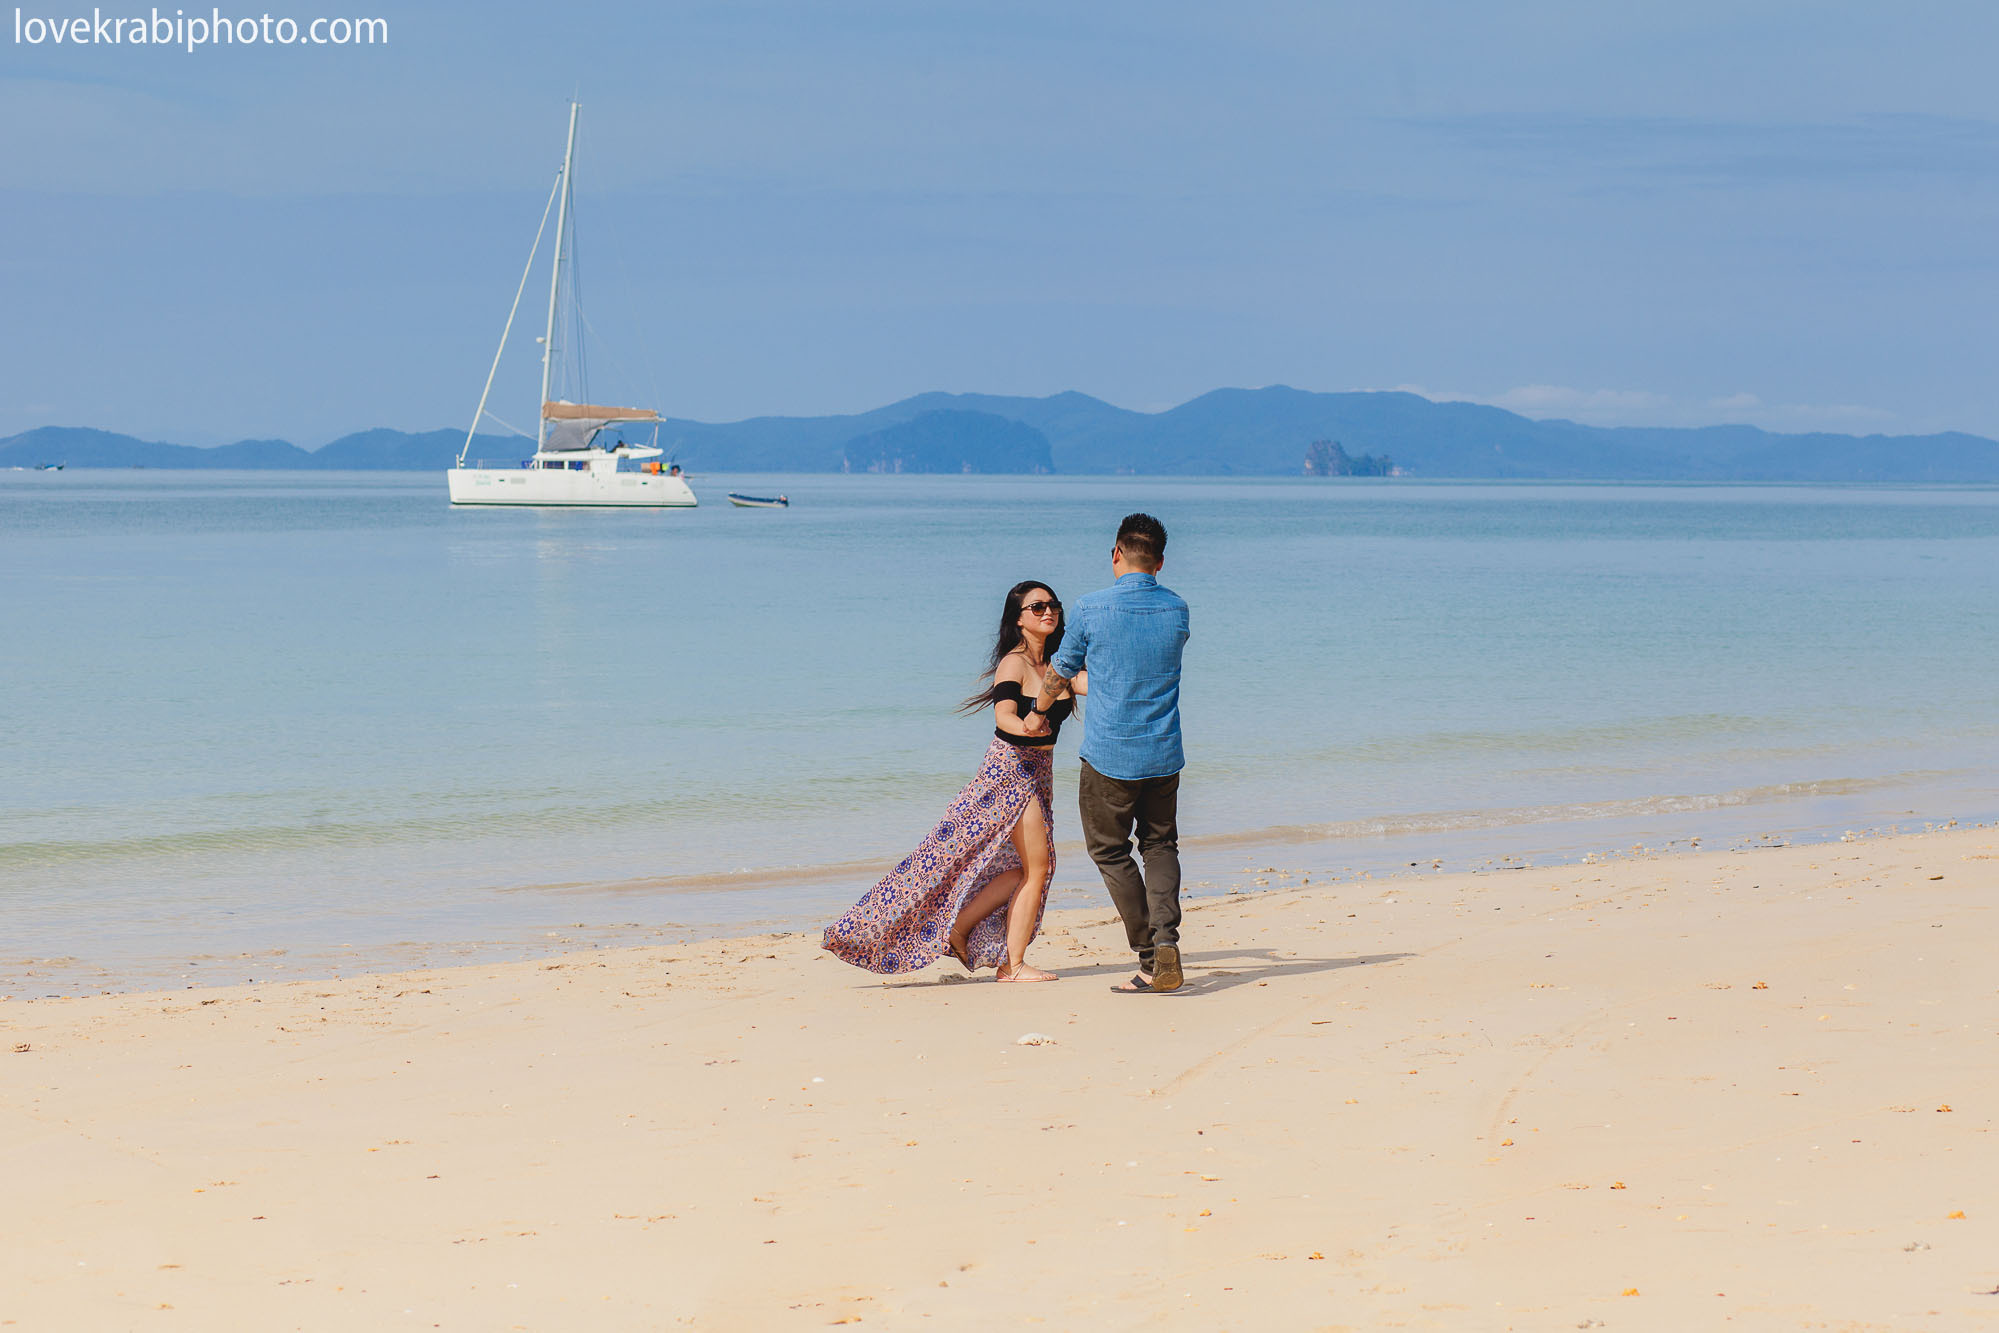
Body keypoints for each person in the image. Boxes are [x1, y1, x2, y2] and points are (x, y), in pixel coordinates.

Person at [823, 582, 1086, 983]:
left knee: (1026, 870)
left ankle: (961, 928)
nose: (1048, 612)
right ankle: (1011, 967)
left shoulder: (1056, 667)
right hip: (1010, 770)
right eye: (1037, 607)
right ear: (1018, 618)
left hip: (1041, 773)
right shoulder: (1013, 663)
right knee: (1036, 866)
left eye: (1053, 605)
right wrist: (1027, 728)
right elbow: (1004, 716)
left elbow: (1094, 683)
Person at [1023, 514, 1189, 993]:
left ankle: (1149, 955)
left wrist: (1037, 712)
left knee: (1110, 851)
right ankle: (1167, 941)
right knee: (1160, 846)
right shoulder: (1177, 610)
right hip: (1163, 753)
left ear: (1116, 554)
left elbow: (1060, 671)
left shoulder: (1092, 608)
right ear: (1159, 562)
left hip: (1108, 756)